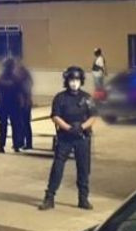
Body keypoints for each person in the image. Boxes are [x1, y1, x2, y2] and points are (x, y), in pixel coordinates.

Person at [40, 66, 97, 210]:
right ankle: (50, 197)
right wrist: (69, 128)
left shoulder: (87, 98)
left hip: (82, 137)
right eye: (72, 80)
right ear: (67, 81)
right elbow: (55, 116)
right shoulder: (60, 98)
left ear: (81, 81)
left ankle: (83, 198)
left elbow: (93, 116)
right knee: (58, 167)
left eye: (77, 80)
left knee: (83, 168)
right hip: (65, 137)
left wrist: (81, 127)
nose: (74, 83)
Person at [0, 58, 25, 153]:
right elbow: (20, 93)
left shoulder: (0, 78)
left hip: (3, 105)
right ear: (12, 67)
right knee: (15, 126)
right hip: (14, 105)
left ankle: (1, 146)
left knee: (3, 126)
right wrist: (22, 104)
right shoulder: (15, 78)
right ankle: (16, 146)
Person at [16, 61, 34, 150]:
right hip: (22, 104)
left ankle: (28, 143)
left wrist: (25, 103)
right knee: (22, 124)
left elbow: (27, 94)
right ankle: (21, 142)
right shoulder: (24, 81)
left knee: (25, 124)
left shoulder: (25, 82)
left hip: (25, 104)